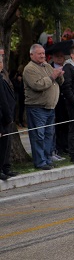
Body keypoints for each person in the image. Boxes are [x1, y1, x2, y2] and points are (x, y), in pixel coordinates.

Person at [23, 44, 64, 170]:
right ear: (32, 55)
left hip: (50, 107)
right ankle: (40, 161)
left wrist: (59, 75)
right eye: (39, 53)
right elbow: (38, 85)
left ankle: (47, 159)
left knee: (48, 135)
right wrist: (53, 76)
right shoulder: (29, 69)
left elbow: (59, 82)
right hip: (37, 107)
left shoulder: (47, 65)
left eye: (43, 53)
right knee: (38, 136)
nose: (42, 56)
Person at [0, 48, 17, 180]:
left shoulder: (2, 78)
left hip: (7, 118)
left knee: (6, 145)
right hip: (2, 119)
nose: (1, 64)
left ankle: (6, 167)